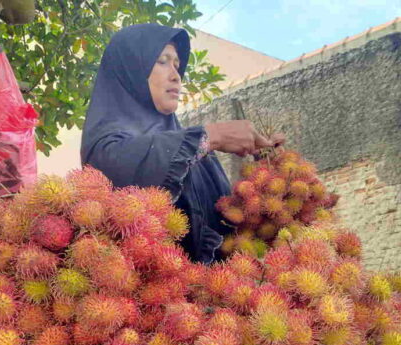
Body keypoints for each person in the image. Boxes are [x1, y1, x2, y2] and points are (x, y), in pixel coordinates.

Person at [81, 23, 284, 264]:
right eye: (162, 61)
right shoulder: (105, 145)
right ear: (131, 70)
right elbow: (119, 170)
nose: (176, 75)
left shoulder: (196, 151)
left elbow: (229, 225)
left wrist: (267, 177)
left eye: (177, 65)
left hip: (212, 295)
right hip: (149, 296)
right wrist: (213, 136)